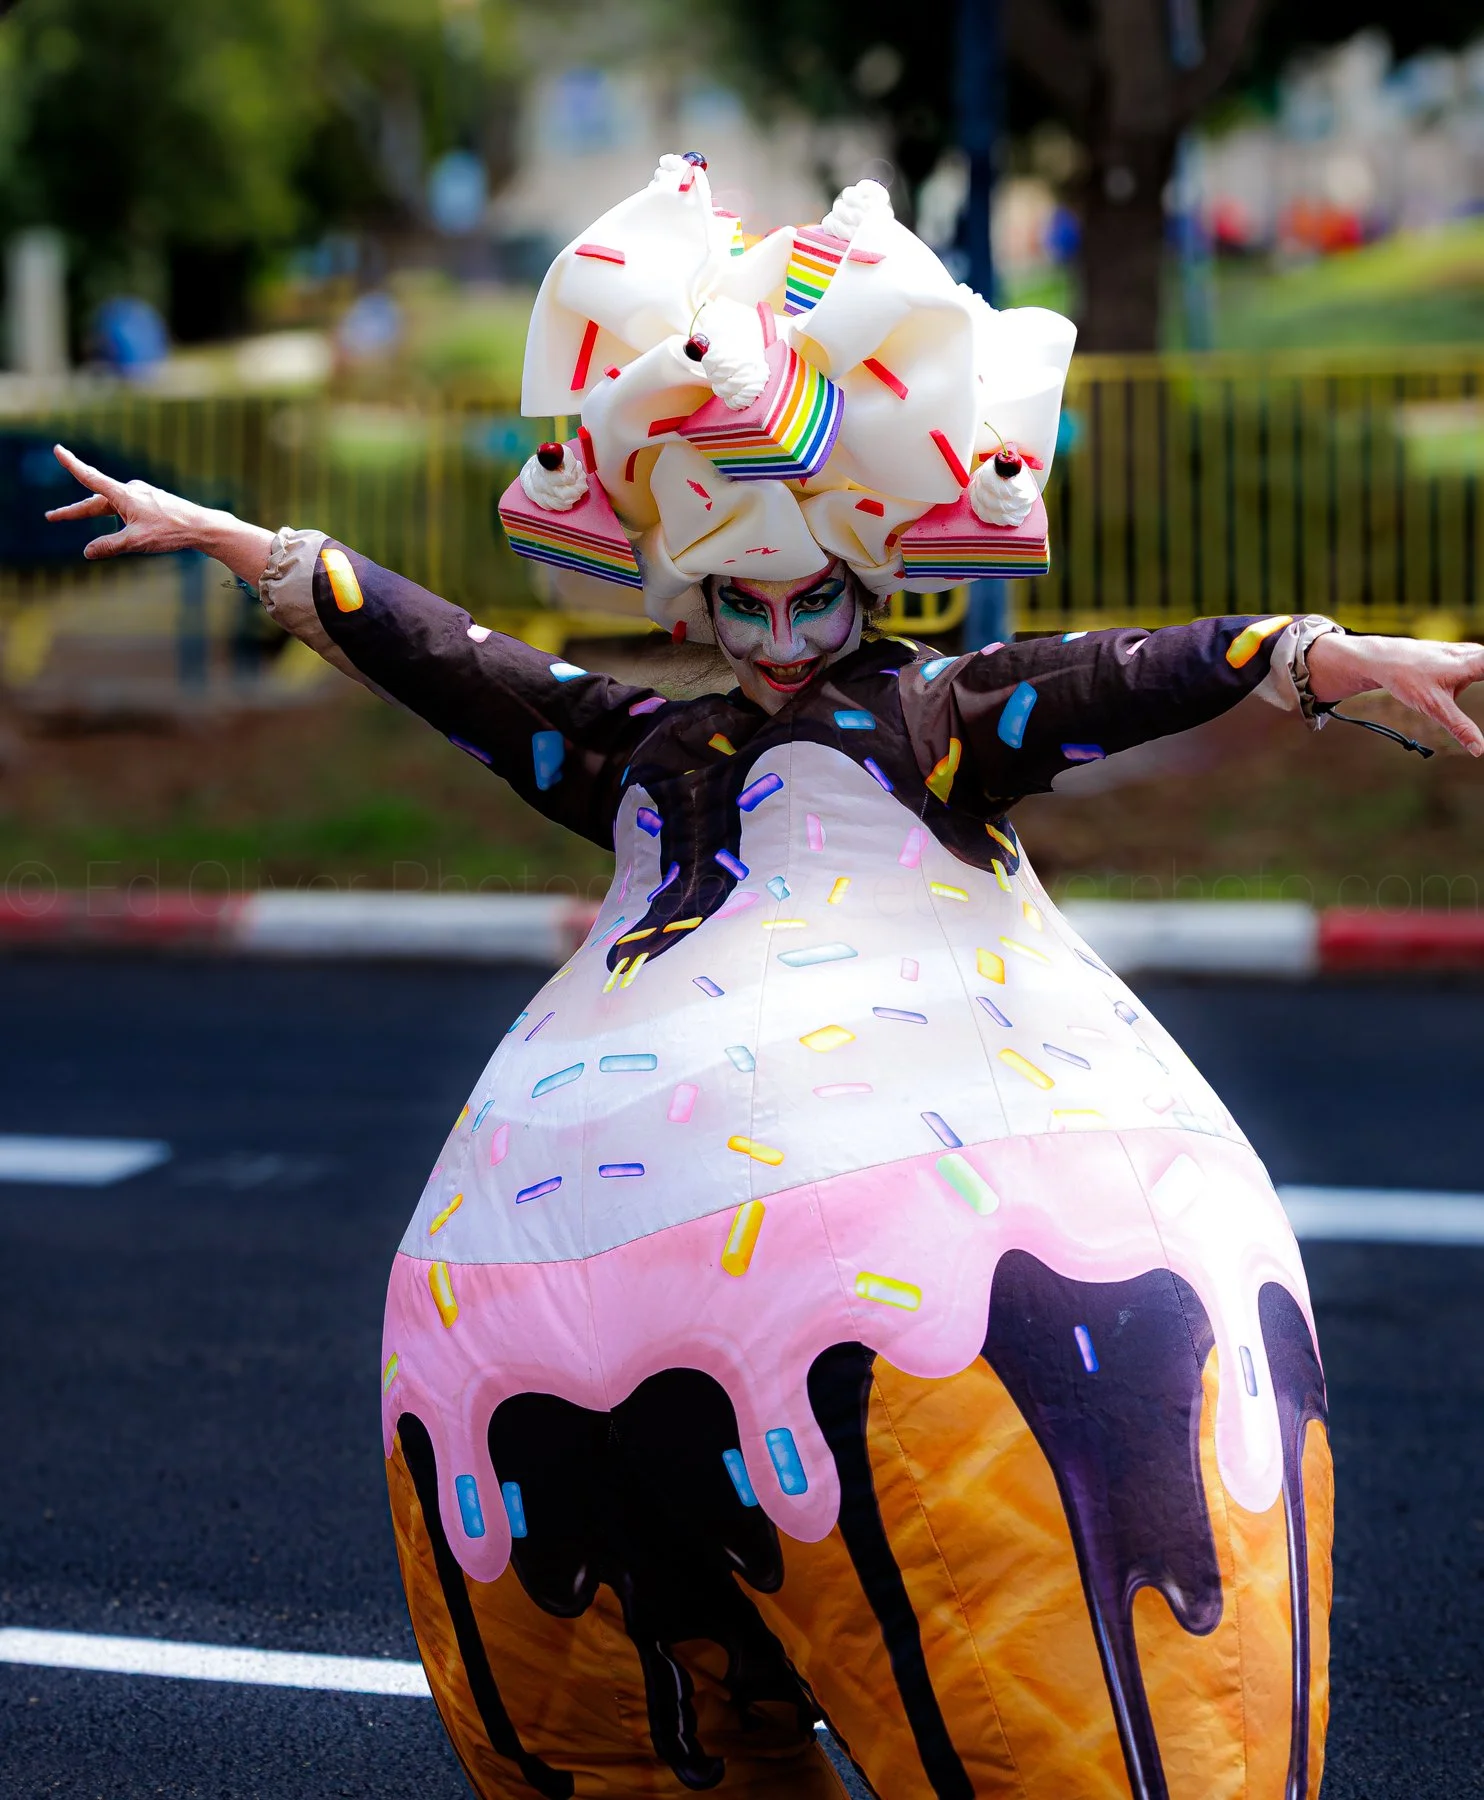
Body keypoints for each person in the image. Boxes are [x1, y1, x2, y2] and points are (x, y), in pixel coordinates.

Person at [47, 158, 1484, 1800]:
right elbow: (455, 663)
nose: (785, 632)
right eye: (743, 599)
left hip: (939, 1275)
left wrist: (1308, 660)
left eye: (814, 597)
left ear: (868, 578)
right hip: (566, 1330)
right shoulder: (642, 754)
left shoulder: (937, 721)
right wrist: (250, 548)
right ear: (694, 594)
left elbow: (1111, 679)